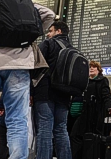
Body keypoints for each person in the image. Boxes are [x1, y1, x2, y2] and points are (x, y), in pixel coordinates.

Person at [0, 1, 55, 159]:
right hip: (19, 64)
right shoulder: (20, 3)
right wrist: (26, 35)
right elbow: (49, 15)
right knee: (17, 119)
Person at [32, 21, 73, 159]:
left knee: (44, 128)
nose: (48, 34)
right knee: (61, 129)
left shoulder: (48, 44)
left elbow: (35, 67)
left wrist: (31, 91)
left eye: (50, 31)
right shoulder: (73, 50)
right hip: (64, 95)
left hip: (45, 92)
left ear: (58, 31)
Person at [70, 60, 111, 159]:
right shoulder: (83, 82)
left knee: (92, 138)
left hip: (94, 115)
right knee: (75, 136)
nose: (91, 68)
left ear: (99, 70)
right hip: (82, 115)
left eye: (94, 67)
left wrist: (110, 106)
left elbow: (106, 95)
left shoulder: (102, 81)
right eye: (89, 67)